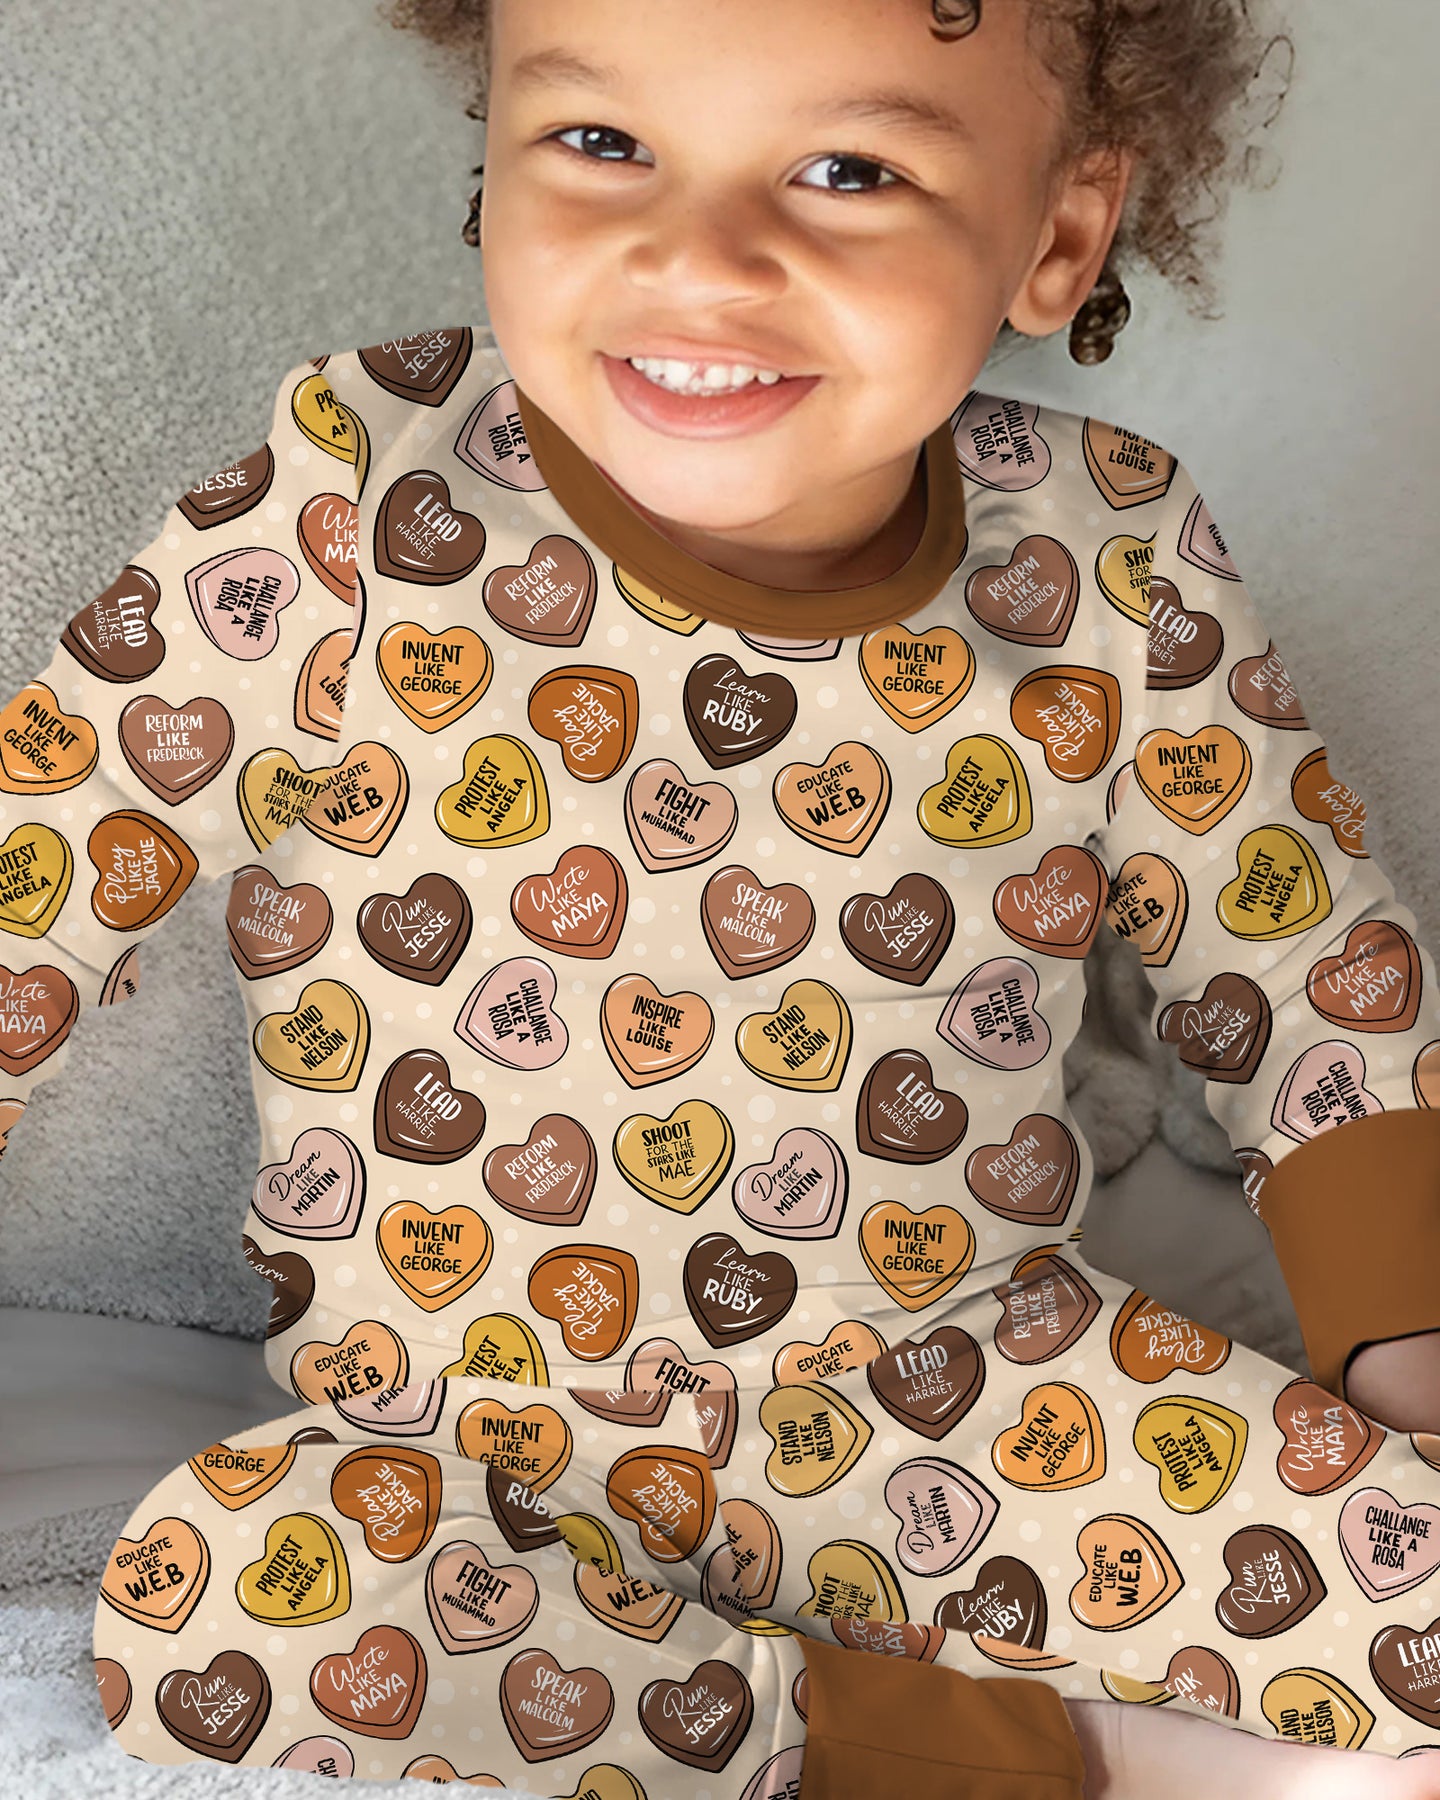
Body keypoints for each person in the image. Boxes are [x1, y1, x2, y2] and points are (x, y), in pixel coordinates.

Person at [5, 0, 1438, 1792]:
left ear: (1061, 235)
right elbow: (43, 852)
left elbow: (1303, 971)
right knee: (226, 1611)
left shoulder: (1107, 550)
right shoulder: (359, 498)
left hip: (970, 1404)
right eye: (602, 144)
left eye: (848, 170)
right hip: (466, 1459)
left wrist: (1406, 1368)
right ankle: (1059, 1757)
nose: (699, 257)